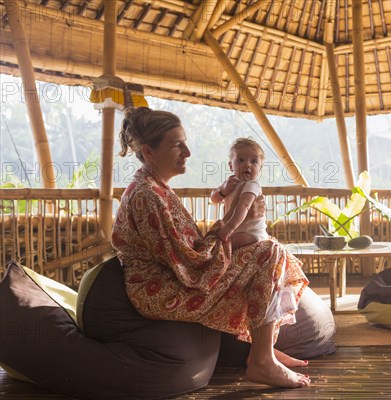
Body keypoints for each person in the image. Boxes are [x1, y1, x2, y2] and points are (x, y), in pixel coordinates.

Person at [111, 107, 310, 388]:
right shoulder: (147, 195)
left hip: (174, 275)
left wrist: (231, 235)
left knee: (270, 250)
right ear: (149, 151)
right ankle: (262, 359)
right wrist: (229, 232)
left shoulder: (156, 187)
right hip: (160, 288)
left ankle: (261, 349)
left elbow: (187, 249)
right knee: (270, 252)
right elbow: (189, 262)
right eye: (177, 145)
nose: (188, 152)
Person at [211, 138, 268, 250]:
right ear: (231, 166)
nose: (247, 165)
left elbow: (244, 206)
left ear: (260, 168)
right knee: (220, 243)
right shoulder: (230, 183)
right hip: (235, 230)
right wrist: (223, 190)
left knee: (229, 245)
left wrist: (229, 227)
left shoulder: (252, 185)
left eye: (254, 161)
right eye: (241, 160)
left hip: (252, 233)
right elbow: (213, 198)